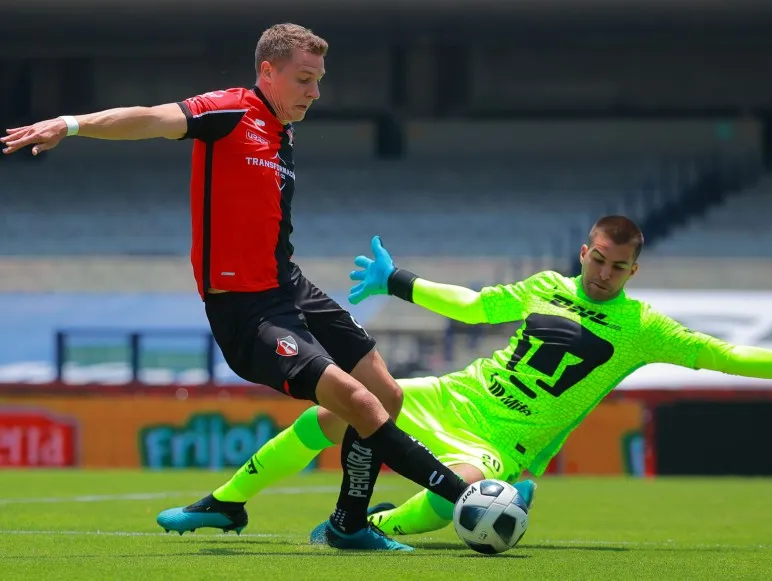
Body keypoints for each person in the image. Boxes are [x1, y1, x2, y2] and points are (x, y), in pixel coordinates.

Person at [1, 22, 471, 552]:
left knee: (386, 393)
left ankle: (319, 517)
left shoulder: (281, 129)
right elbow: (153, 120)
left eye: (319, 80)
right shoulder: (228, 109)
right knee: (361, 403)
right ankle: (463, 499)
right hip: (246, 309)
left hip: (289, 285)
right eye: (305, 79)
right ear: (267, 72)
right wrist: (72, 123)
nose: (315, 93)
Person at [156, 215, 772, 541]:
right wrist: (398, 279)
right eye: (597, 260)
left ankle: (367, 525)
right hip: (459, 392)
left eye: (619, 266)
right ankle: (225, 503)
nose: (604, 273)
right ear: (585, 252)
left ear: (635, 269)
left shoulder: (644, 329)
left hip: (508, 437)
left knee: (456, 494)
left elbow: (727, 355)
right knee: (331, 415)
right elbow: (475, 305)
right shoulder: (547, 284)